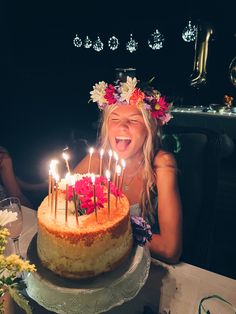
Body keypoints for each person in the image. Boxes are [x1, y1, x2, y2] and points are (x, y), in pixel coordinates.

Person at [74, 76, 182, 264]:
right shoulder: (99, 159)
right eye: (114, 119)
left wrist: (108, 227)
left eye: (133, 120)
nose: (122, 126)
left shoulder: (161, 165)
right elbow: (58, 202)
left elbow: (170, 249)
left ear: (150, 127)